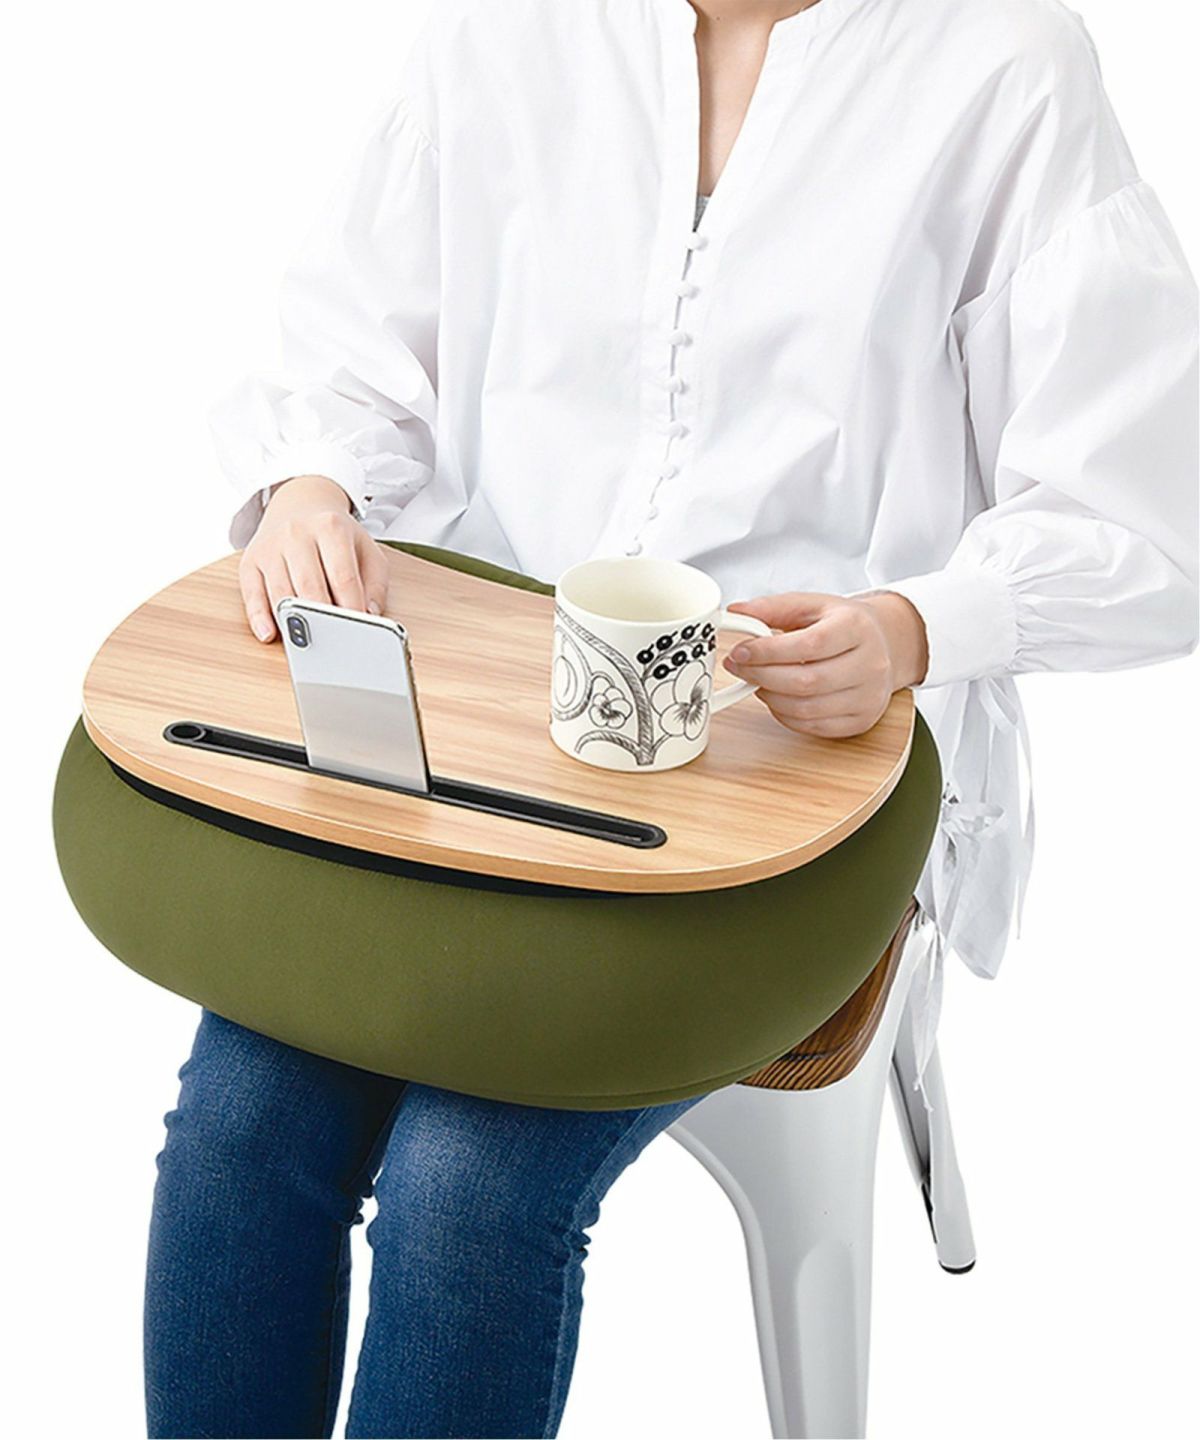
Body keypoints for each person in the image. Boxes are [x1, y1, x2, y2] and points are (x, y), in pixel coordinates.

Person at [147, 1, 1198, 1436]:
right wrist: (312, 487)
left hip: (799, 788)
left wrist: (914, 628)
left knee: (468, 1184)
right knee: (236, 1129)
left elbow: (1149, 511)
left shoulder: (1005, 62)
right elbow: (347, 352)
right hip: (480, 749)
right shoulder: (506, 31)